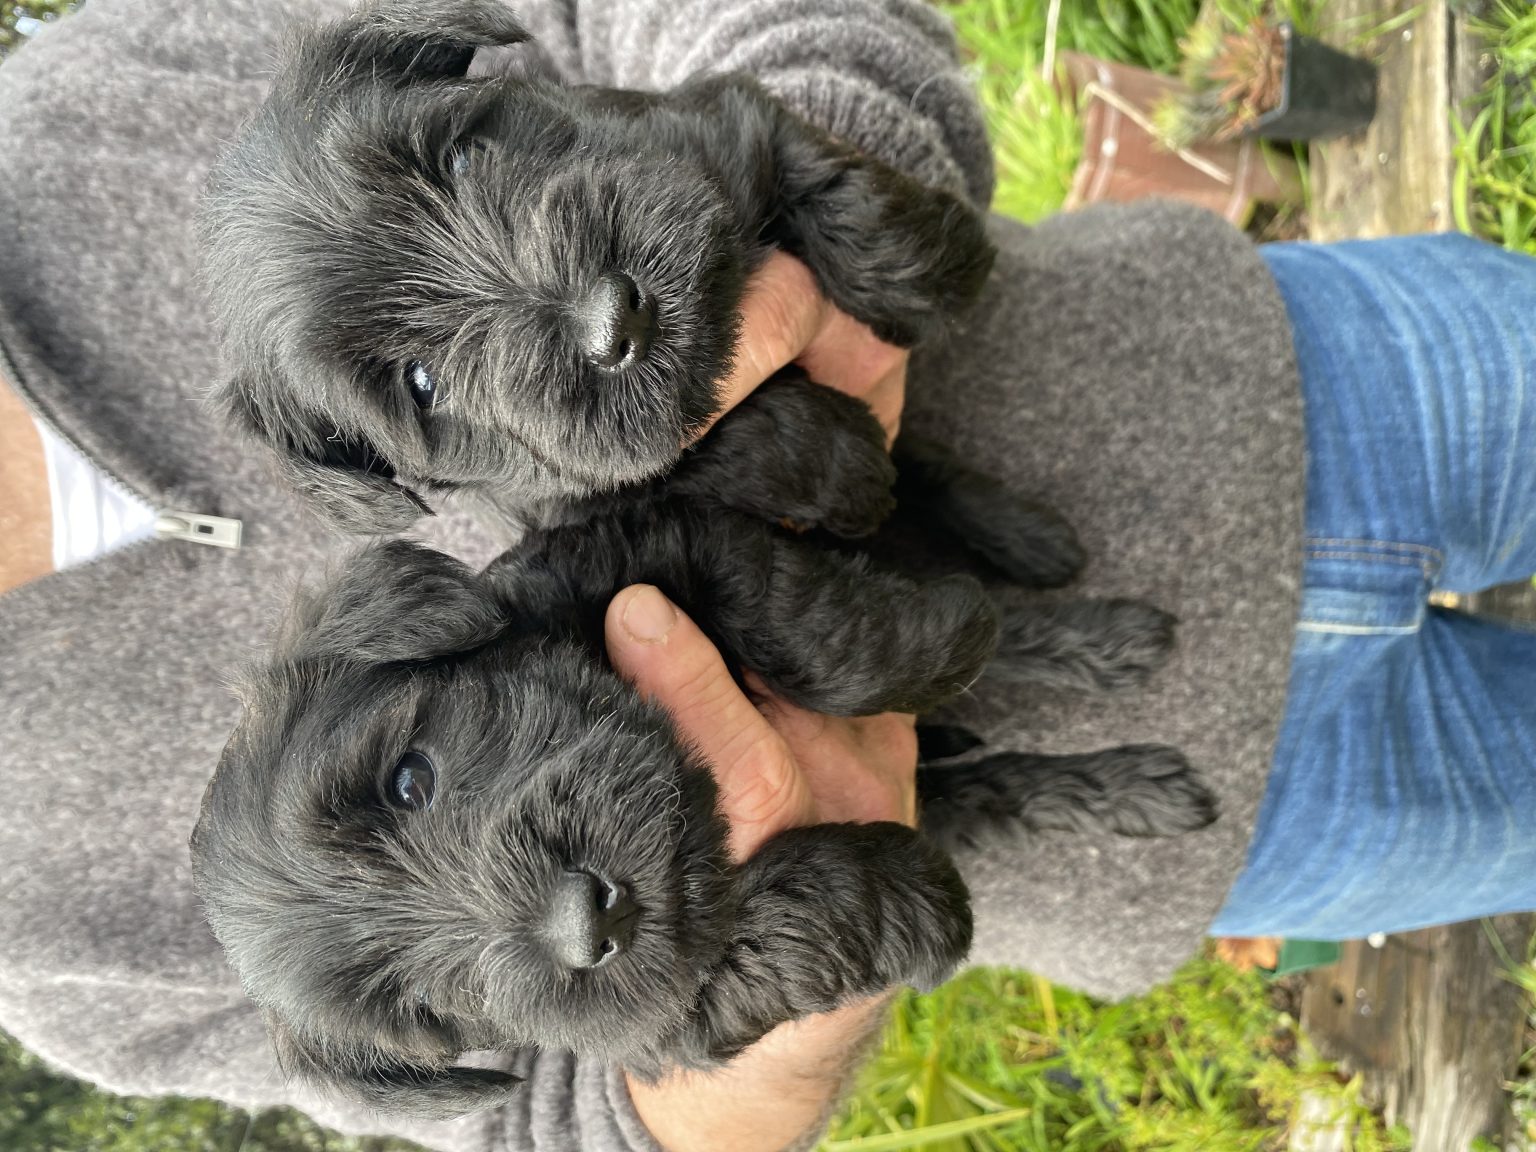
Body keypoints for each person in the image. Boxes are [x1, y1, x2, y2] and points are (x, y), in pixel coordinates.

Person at [1, 3, 1532, 1152]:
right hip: (1236, 814)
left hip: (1267, 381)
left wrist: (814, 216)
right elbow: (556, 1127)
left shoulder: (63, 114)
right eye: (413, 383)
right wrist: (794, 987)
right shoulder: (43, 958)